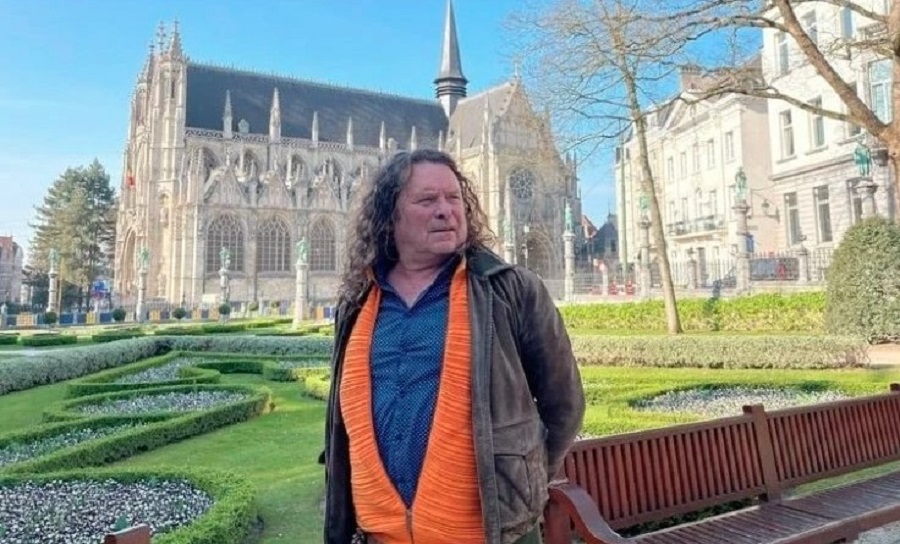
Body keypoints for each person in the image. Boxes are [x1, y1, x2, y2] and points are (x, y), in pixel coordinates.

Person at [323, 149, 585, 544]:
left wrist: (520, 482)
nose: (445, 210)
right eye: (427, 200)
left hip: (487, 536)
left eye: (454, 198)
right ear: (390, 215)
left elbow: (565, 404)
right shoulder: (357, 301)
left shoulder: (510, 290)